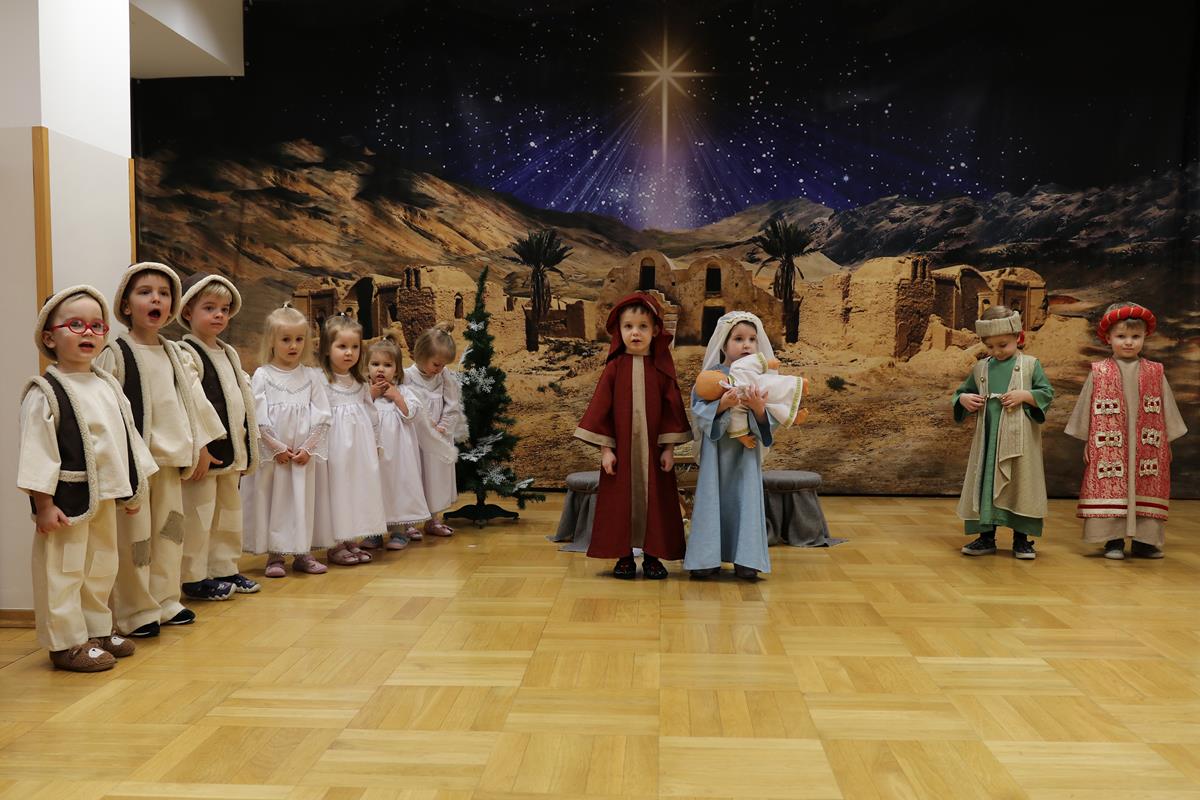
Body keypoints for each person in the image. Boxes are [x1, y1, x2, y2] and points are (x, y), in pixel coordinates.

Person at [19, 286, 156, 670]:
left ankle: (97, 629)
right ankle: (66, 640)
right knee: (64, 570)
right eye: (76, 325)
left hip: (105, 499)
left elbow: (127, 438)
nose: (88, 333)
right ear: (50, 337)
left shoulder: (107, 385)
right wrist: (44, 504)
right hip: (67, 504)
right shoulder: (45, 392)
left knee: (101, 565)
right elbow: (37, 452)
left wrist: (132, 490)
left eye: (97, 326)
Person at [98, 262, 226, 637]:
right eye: (145, 292)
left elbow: (194, 401)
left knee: (170, 534)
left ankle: (166, 599)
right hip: (138, 468)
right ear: (126, 305)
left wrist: (202, 445)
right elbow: (108, 409)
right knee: (135, 539)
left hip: (170, 463)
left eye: (164, 293)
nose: (156, 299)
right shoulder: (116, 353)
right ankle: (135, 609)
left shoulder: (175, 353)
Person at [574, 293, 692, 579]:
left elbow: (672, 411)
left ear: (656, 331)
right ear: (619, 330)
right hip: (622, 454)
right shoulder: (614, 369)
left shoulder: (661, 370)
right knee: (619, 503)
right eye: (628, 326)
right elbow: (601, 410)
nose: (635, 333)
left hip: (654, 454)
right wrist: (606, 451)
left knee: (658, 503)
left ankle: (653, 556)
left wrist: (669, 449)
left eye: (642, 326)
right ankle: (624, 556)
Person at [1065, 302, 1187, 559]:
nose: (1129, 342)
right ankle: (1113, 540)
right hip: (1111, 444)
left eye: (1135, 336)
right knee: (1112, 484)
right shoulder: (1099, 372)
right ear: (1108, 338)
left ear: (1145, 337)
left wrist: (1166, 441)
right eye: (1121, 336)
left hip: (1147, 444)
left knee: (1147, 484)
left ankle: (1145, 541)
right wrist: (1088, 440)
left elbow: (1166, 409)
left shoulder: (1155, 371)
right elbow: (1087, 407)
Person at [176, 272, 262, 597]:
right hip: (208, 453)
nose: (219, 315)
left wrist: (246, 441)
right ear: (188, 311)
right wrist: (201, 443)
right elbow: (193, 402)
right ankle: (193, 576)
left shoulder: (229, 353)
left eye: (224, 309)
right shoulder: (186, 353)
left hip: (232, 452)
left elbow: (242, 397)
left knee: (228, 514)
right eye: (209, 308)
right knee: (199, 516)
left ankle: (224, 567)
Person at [953, 305, 1054, 560]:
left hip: (1021, 441)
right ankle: (986, 536)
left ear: (1018, 338)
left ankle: (1022, 539)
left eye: (1003, 345)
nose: (997, 351)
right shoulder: (981, 368)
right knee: (986, 482)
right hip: (988, 438)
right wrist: (964, 399)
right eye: (990, 346)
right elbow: (962, 392)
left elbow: (1046, 393)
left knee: (1021, 483)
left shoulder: (1030, 365)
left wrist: (1026, 396)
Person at [683, 312, 777, 580]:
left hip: (745, 454)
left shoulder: (762, 379)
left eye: (752, 339)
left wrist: (758, 409)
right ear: (724, 344)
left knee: (744, 498)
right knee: (712, 497)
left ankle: (746, 557)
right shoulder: (711, 377)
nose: (746, 345)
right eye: (738, 339)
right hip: (717, 453)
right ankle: (706, 557)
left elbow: (771, 419)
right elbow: (699, 411)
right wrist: (722, 405)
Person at [241, 305, 332, 577]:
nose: (293, 346)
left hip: (302, 455)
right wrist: (276, 447)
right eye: (286, 339)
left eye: (299, 339)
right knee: (275, 501)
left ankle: (303, 552)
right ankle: (276, 555)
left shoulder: (312, 376)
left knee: (302, 500)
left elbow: (322, 414)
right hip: (276, 456)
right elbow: (257, 415)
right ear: (272, 340)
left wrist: (309, 447)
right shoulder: (263, 375)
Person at [362, 337, 453, 550]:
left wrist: (397, 398)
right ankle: (374, 532)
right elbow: (357, 416)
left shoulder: (404, 392)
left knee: (397, 489)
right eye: (375, 364)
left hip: (399, 457)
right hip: (373, 455)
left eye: (387, 365)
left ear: (397, 370)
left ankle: (399, 531)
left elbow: (411, 415)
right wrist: (370, 397)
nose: (380, 369)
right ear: (367, 367)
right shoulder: (363, 393)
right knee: (375, 490)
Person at [312, 315, 387, 565]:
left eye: (355, 347)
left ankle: (350, 537)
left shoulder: (359, 382)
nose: (349, 353)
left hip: (359, 449)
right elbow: (316, 416)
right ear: (326, 348)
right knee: (338, 492)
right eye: (342, 346)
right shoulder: (320, 380)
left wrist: (376, 443)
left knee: (356, 490)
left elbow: (371, 413)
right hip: (335, 449)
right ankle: (335, 543)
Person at [403, 323, 467, 538]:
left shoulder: (444, 377)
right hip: (415, 437)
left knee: (435, 478)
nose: (439, 369)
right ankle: (408, 522)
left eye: (443, 365)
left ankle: (433, 518)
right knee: (414, 476)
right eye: (436, 364)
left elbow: (452, 405)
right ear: (420, 355)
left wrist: (443, 427)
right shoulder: (407, 376)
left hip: (438, 436)